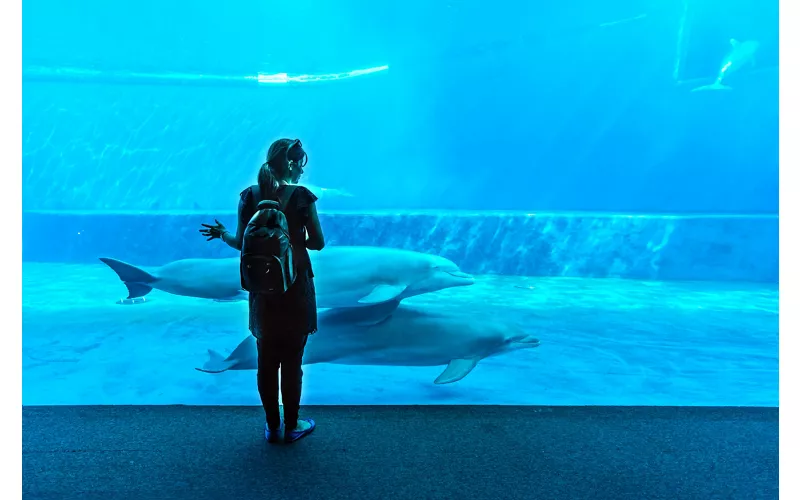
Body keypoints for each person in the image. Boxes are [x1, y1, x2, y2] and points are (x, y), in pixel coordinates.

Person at [199, 138, 325, 444]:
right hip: (295, 285)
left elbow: (241, 241)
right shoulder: (302, 197)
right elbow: (318, 242)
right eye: (301, 165)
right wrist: (293, 241)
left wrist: (222, 234)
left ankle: (271, 426)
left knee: (266, 358)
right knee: (292, 359)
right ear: (292, 164)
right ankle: (292, 425)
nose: (303, 172)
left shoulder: (250, 195)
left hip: (263, 288)